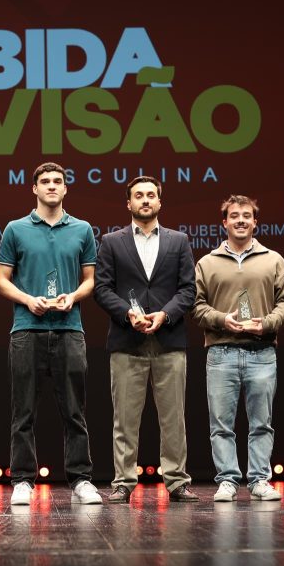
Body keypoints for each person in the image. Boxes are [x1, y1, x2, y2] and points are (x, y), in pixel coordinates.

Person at [0, 162, 102, 505]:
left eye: (58, 181)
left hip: (70, 329)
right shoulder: (15, 229)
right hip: (27, 329)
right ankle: (23, 480)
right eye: (45, 181)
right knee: (23, 411)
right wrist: (29, 300)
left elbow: (90, 280)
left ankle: (81, 479)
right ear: (35, 188)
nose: (52, 186)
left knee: (75, 410)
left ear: (65, 188)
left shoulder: (82, 229)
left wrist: (73, 296)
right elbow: (2, 280)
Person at [94, 176, 198, 504]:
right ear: (129, 203)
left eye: (151, 195)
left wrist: (165, 314)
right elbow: (102, 289)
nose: (145, 200)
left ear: (159, 202)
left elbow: (188, 289)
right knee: (125, 419)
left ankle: (177, 481)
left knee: (173, 418)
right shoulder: (111, 242)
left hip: (169, 338)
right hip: (127, 339)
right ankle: (123, 482)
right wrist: (128, 314)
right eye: (138, 195)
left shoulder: (178, 240)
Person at [192, 195, 284, 502]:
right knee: (221, 425)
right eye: (234, 215)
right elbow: (195, 306)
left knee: (262, 423)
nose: (240, 220)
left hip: (261, 351)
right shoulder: (207, 263)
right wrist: (222, 319)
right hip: (221, 352)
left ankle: (260, 479)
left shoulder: (273, 259)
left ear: (255, 222)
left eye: (246, 215)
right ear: (224, 222)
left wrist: (266, 324)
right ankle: (227, 480)